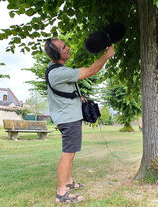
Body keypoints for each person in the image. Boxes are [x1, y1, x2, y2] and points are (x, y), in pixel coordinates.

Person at [44, 38, 114, 203]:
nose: (68, 48)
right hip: (68, 119)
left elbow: (62, 91)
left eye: (66, 44)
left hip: (67, 116)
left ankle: (68, 183)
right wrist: (107, 55)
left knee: (71, 151)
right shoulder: (59, 72)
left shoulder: (54, 69)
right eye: (63, 47)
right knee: (67, 154)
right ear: (55, 53)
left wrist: (78, 97)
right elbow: (91, 70)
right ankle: (61, 193)